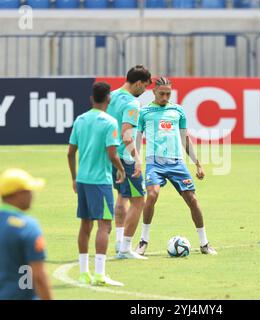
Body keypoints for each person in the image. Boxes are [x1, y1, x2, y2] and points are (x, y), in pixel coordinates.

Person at [134, 77, 217, 256]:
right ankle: (143, 241)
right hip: (154, 162)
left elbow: (185, 139)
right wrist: (137, 161)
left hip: (176, 163)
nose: (165, 97)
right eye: (161, 93)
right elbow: (138, 139)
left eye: (168, 93)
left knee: (192, 200)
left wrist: (198, 164)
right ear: (154, 92)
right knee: (152, 195)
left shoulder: (177, 111)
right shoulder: (145, 112)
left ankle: (204, 243)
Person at [68, 81, 126, 286]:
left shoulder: (80, 120)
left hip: (82, 180)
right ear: (108, 99)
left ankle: (84, 273)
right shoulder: (110, 122)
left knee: (85, 224)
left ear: (92, 98)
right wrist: (121, 168)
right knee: (105, 225)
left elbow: (70, 152)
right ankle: (100, 274)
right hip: (100, 181)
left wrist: (74, 177)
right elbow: (112, 153)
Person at [0, 168, 52, 300]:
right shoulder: (28, 227)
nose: (32, 195)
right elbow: (38, 276)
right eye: (28, 191)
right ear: (17, 194)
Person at [107, 65, 152, 260]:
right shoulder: (133, 103)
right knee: (138, 200)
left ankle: (119, 241)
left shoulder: (111, 96)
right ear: (139, 83)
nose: (144, 92)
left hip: (109, 154)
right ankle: (125, 248)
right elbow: (126, 134)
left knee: (122, 197)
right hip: (125, 157)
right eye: (145, 87)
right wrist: (137, 158)